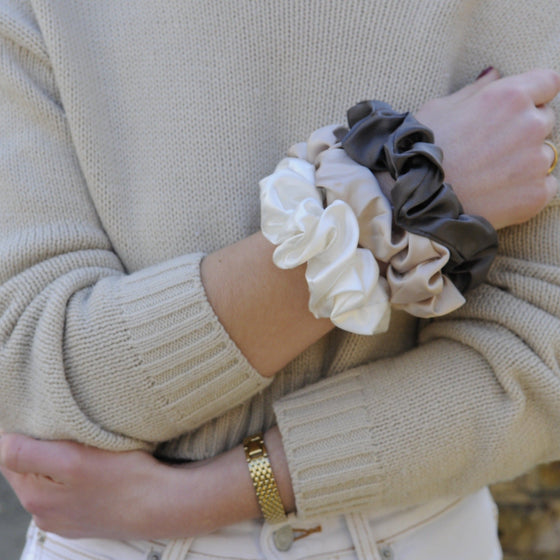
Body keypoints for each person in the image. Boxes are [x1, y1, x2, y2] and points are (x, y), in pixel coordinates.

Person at [1, 1, 560, 559]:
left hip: (414, 535)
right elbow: (34, 364)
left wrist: (199, 497)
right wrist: (401, 199)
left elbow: (540, 352)